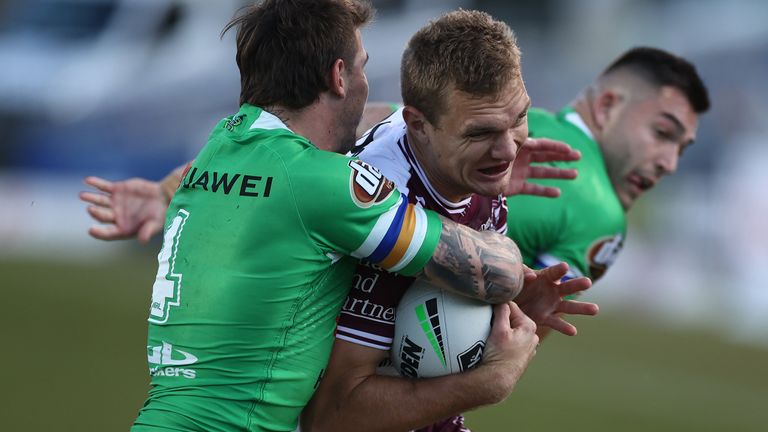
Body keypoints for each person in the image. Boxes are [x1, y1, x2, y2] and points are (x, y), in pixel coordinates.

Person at [83, 9, 599, 432]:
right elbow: (499, 270)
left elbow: (384, 119)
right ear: (339, 76)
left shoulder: (223, 147)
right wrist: (491, 381)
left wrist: (468, 152)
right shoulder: (333, 187)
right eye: (363, 63)